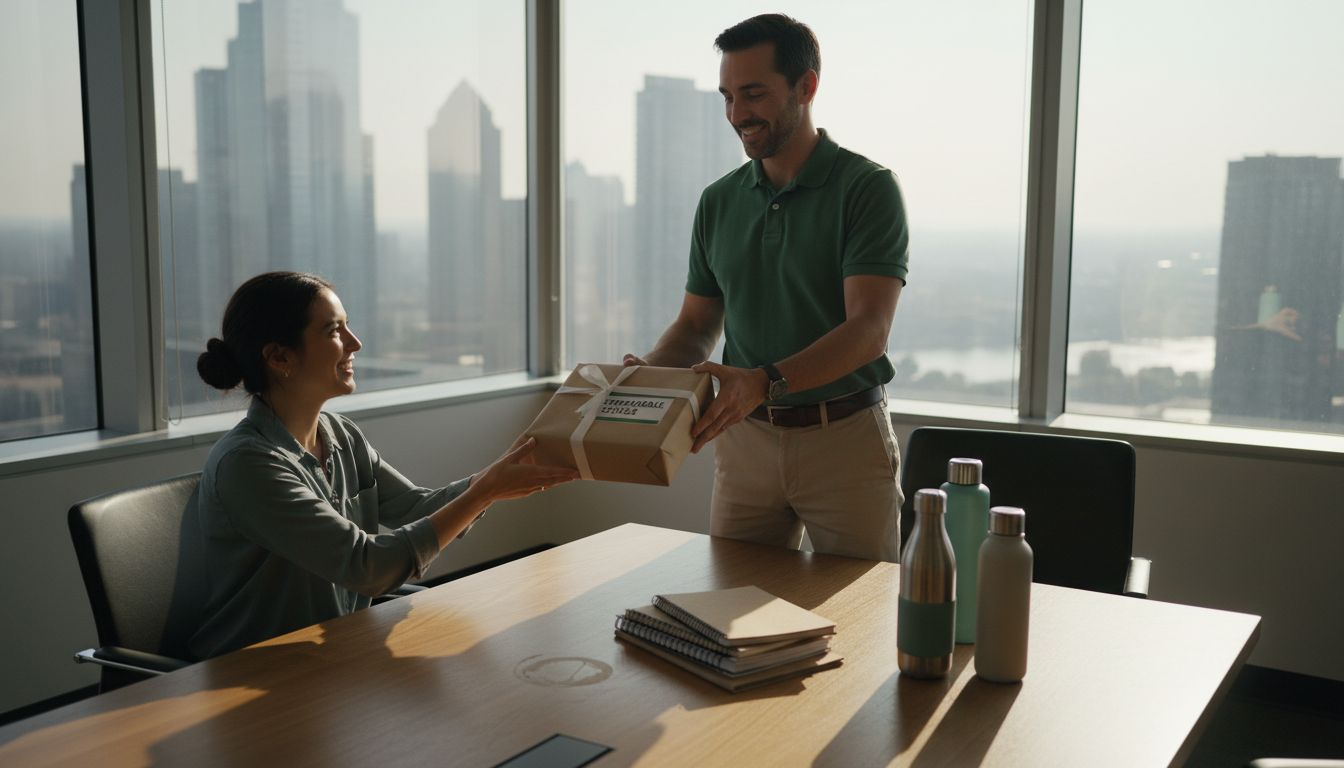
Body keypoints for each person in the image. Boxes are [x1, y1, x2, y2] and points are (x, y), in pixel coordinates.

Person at [625, 14, 909, 562]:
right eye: (728, 97)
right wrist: (649, 376)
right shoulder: (718, 201)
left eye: (753, 94)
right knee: (731, 614)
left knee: (860, 619)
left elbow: (869, 330)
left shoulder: (868, 189)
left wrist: (764, 381)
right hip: (745, 443)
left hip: (844, 441)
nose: (737, 115)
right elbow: (695, 326)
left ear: (806, 87)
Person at [190, 271, 577, 658]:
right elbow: (367, 567)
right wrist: (485, 491)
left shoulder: (340, 434)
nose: (355, 343)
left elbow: (418, 508)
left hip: (335, 650)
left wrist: (495, 477)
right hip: (254, 668)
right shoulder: (248, 465)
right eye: (333, 331)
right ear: (280, 357)